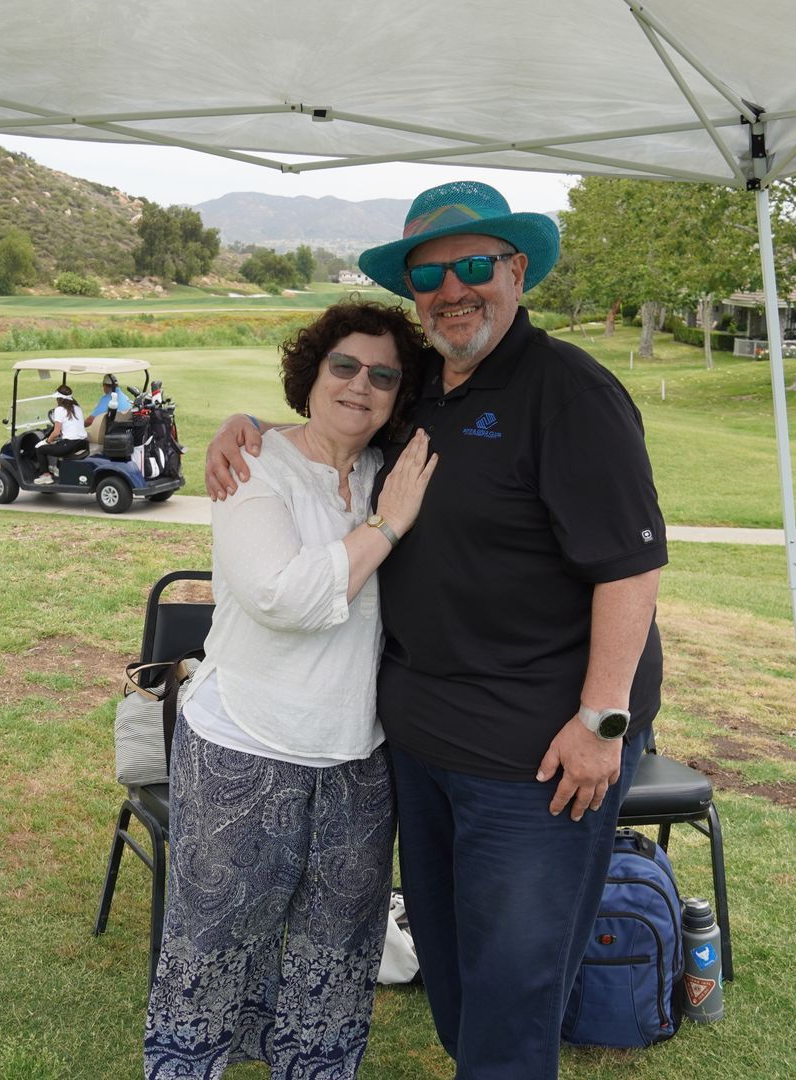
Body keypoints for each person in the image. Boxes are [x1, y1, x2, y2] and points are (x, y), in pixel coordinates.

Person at [203, 181, 667, 1079]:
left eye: (473, 265)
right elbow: (343, 415)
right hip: (419, 748)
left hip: (538, 759)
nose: (453, 290)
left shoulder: (570, 393)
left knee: (513, 990)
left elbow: (630, 567)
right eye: (428, 274)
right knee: (453, 976)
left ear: (516, 269)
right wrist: (250, 427)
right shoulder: (422, 386)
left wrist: (603, 721)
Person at [146, 301, 438, 1080]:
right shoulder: (255, 469)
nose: (360, 385)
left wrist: (383, 504)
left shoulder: (386, 471)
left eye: (383, 376)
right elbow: (285, 597)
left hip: (355, 762)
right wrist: (387, 527)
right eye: (344, 365)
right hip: (243, 748)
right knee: (212, 953)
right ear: (311, 374)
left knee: (334, 965)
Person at [34, 386, 88, 483]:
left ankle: (46, 476)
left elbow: (56, 432)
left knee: (40, 449)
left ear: (60, 399)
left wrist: (46, 441)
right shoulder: (77, 408)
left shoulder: (59, 410)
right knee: (59, 444)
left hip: (70, 445)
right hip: (83, 443)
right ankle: (57, 468)